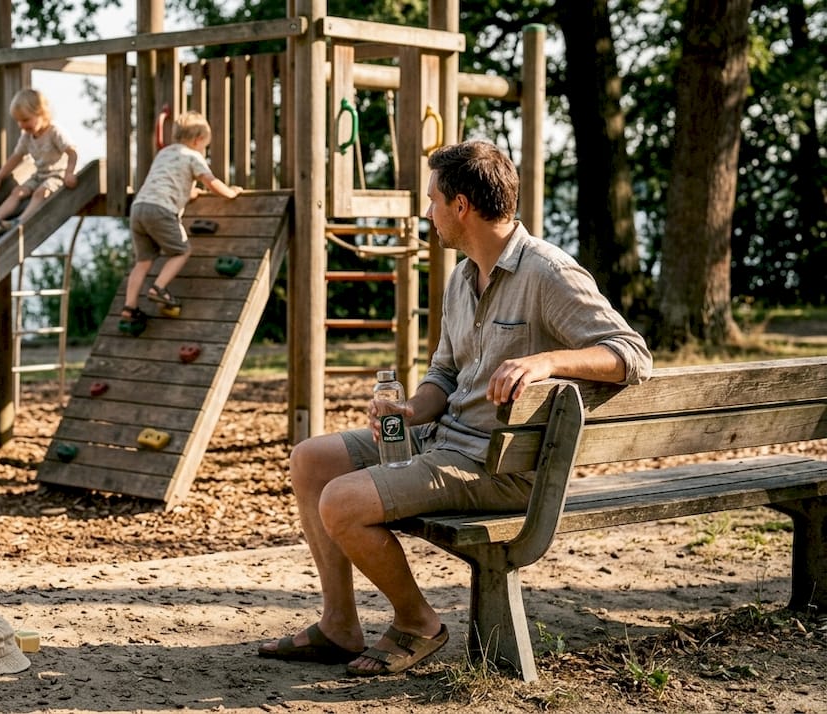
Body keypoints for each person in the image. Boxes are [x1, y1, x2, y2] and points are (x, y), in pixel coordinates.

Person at [256, 139, 653, 677]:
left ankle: (417, 622)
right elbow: (445, 372)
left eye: (431, 200)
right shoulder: (463, 275)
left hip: (497, 463)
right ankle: (339, 625)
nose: (427, 212)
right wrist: (412, 410)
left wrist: (547, 362)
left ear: (460, 205)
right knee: (311, 459)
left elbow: (632, 354)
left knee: (341, 502)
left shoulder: (548, 273)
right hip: (446, 439)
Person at [120, 110, 243, 327]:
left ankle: (129, 308)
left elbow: (168, 181)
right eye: (204, 145)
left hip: (139, 209)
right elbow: (210, 181)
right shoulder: (193, 156)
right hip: (161, 210)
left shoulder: (165, 153)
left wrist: (188, 194)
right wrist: (231, 192)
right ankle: (158, 288)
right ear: (198, 140)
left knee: (143, 262)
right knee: (181, 251)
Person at [0, 88, 78, 233]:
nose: (21, 125)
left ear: (42, 113)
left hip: (58, 175)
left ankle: (20, 221)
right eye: (18, 121)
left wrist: (70, 173)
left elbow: (72, 152)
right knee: (17, 192)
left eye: (25, 120)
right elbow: (15, 158)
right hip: (39, 175)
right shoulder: (27, 136)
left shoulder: (54, 132)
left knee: (41, 192)